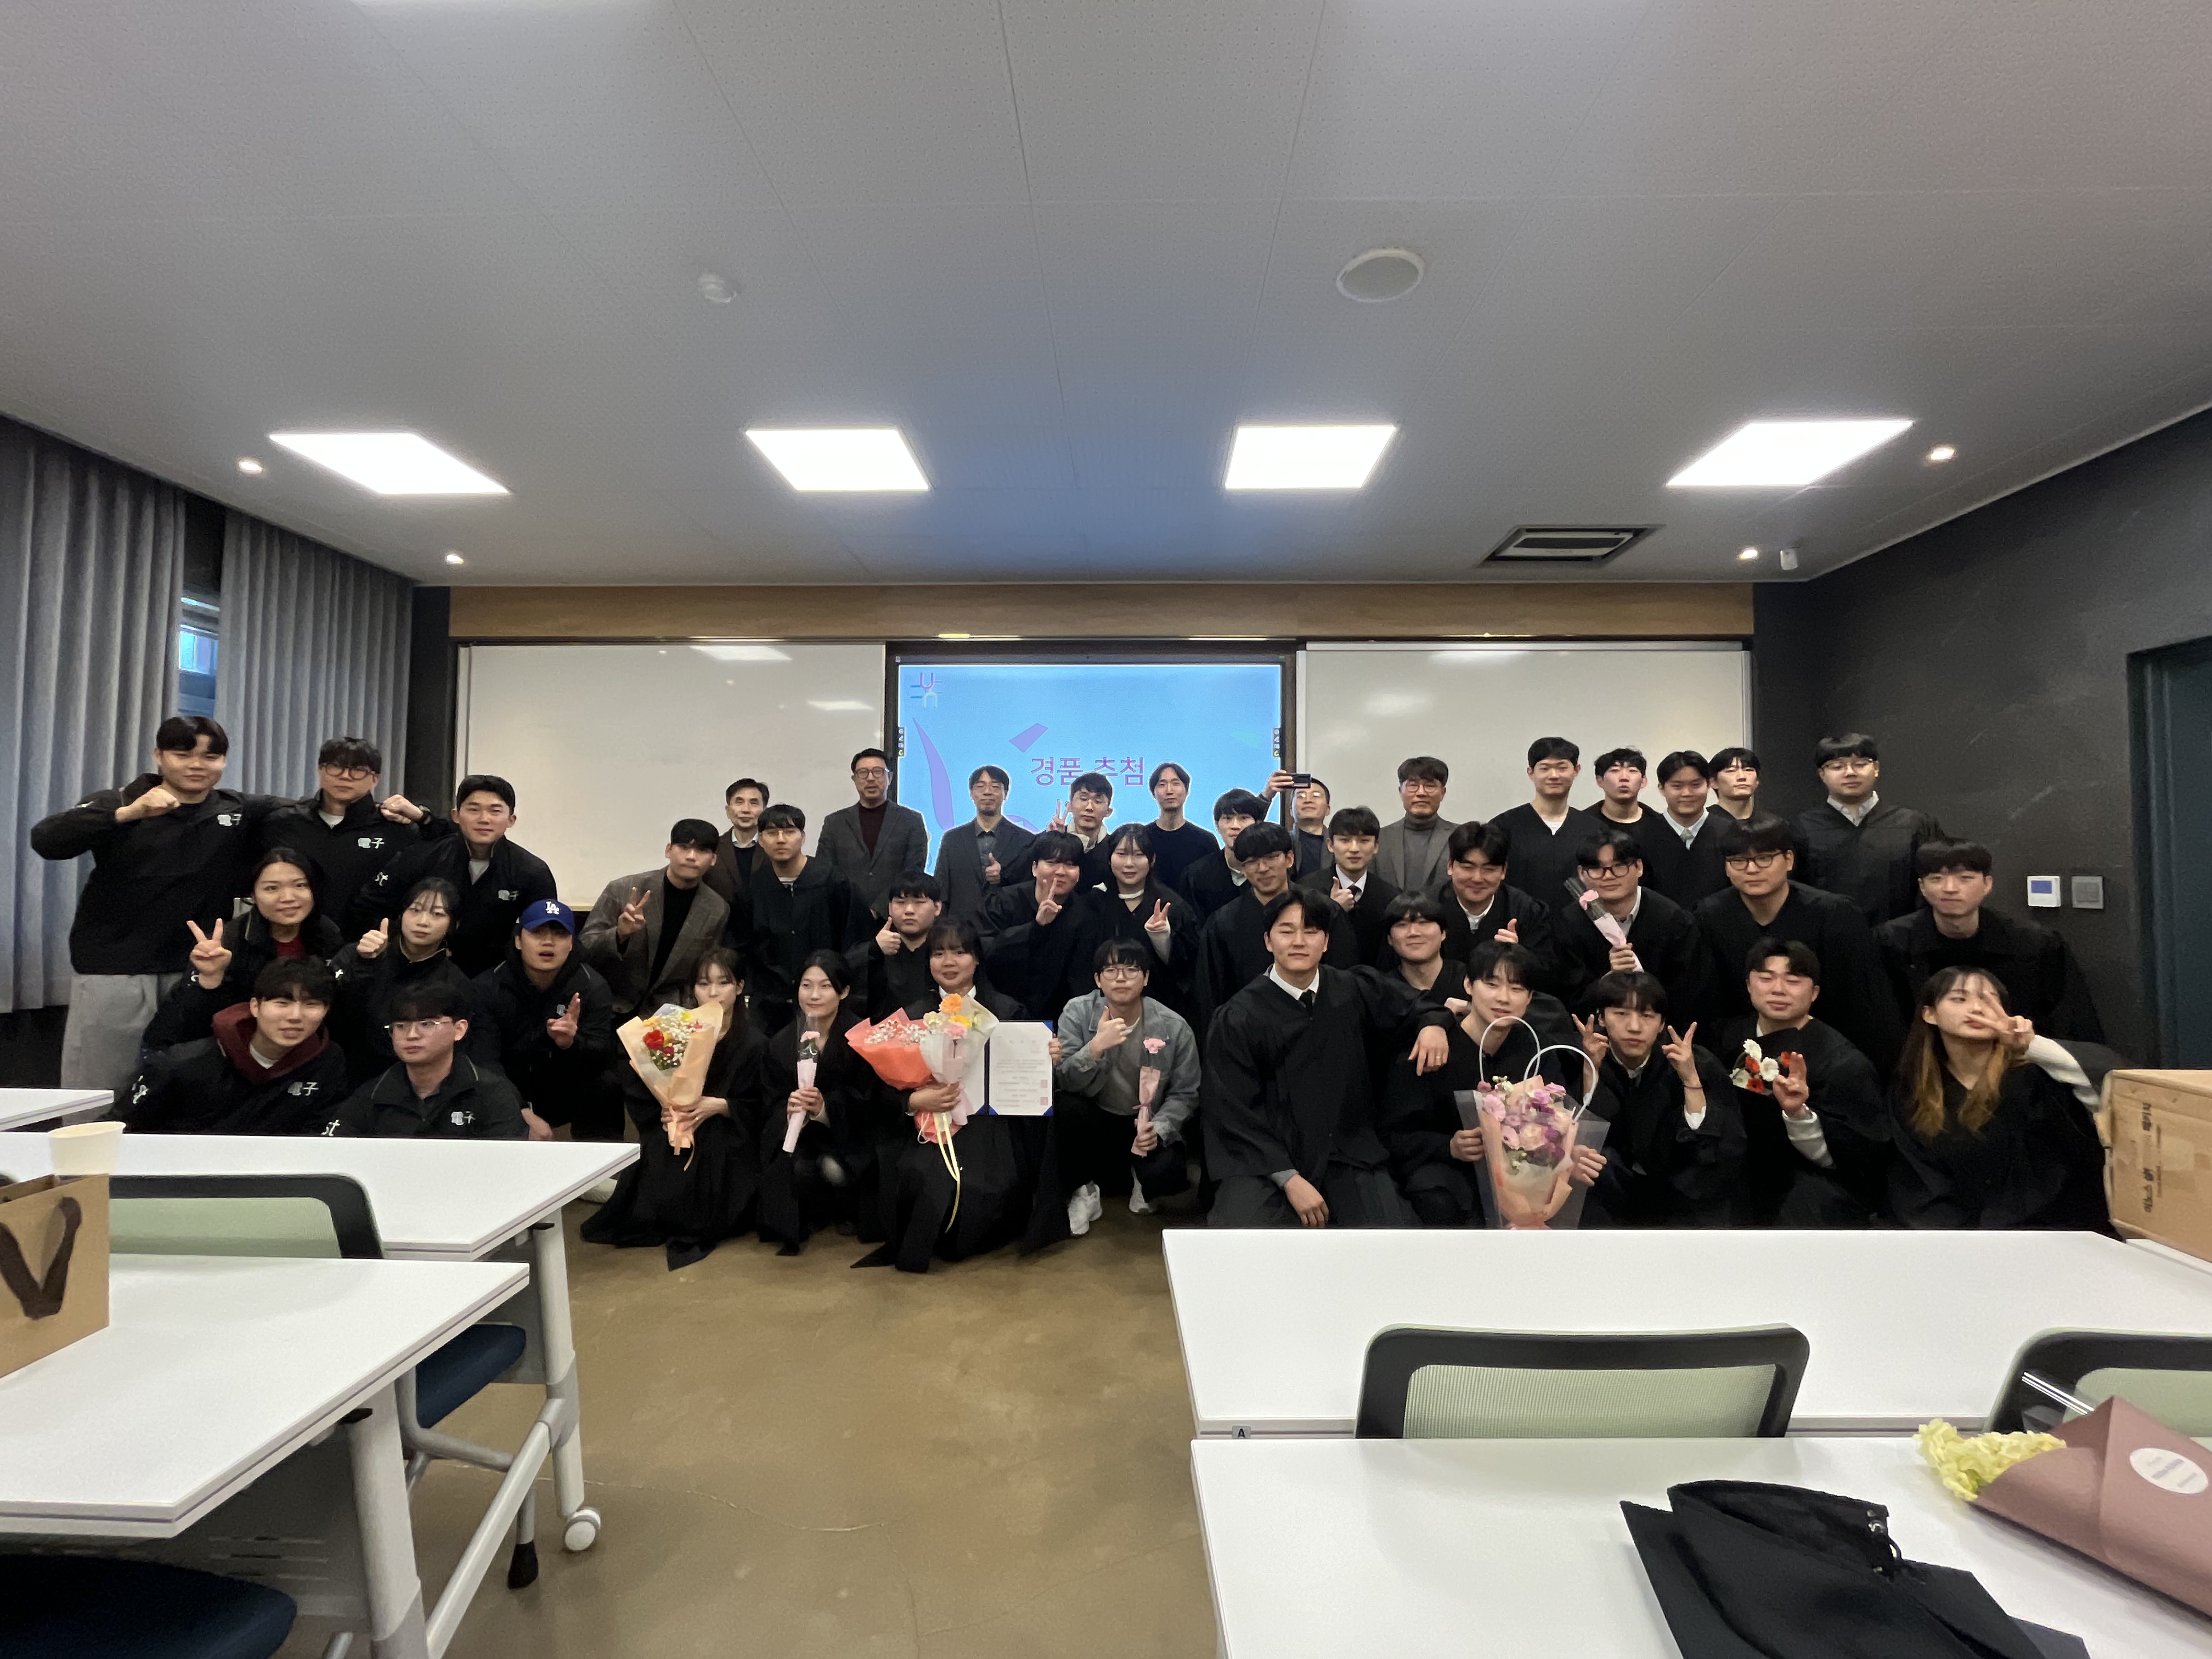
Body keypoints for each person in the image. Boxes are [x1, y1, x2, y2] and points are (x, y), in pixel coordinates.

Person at [32, 714, 289, 1092]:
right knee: (100, 1089)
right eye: (183, 755)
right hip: (115, 971)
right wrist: (129, 814)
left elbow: (315, 813)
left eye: (211, 757)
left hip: (196, 971)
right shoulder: (118, 800)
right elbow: (47, 840)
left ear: (224, 761)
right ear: (158, 755)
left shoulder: (238, 810)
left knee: (188, 1087)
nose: (197, 765)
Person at [1202, 890, 1452, 1228]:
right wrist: (1288, 1178)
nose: (1299, 942)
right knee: (1247, 1238)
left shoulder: (1352, 989)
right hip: (1267, 1162)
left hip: (1348, 1152)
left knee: (1389, 1236)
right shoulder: (1239, 1017)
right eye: (1287, 931)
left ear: (1326, 942)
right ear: (1268, 941)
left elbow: (1415, 1006)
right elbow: (1233, 1111)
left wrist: (1433, 1025)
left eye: (1311, 931)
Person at [867, 921, 1053, 1273]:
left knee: (982, 1187)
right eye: (938, 953)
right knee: (921, 1175)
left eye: (959, 952)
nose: (948, 962)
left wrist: (1045, 1058)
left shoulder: (1006, 1011)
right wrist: (913, 1102)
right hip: (928, 1122)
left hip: (990, 1123)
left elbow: (1028, 1082)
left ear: (977, 959)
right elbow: (879, 1090)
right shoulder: (913, 1014)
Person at [1377, 940, 1598, 1226]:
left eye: (1516, 989)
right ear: (1469, 985)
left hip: (1524, 1178)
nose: (1503, 998)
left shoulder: (1537, 1049)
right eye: (1492, 985)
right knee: (1438, 1196)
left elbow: (1555, 1121)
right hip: (1451, 1172)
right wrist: (1450, 1146)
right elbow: (1394, 1133)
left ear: (1530, 998)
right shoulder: (1433, 1045)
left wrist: (1566, 1154)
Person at [1884, 968, 2109, 1231]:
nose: (1977, 1009)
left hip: (2053, 1231)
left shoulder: (2040, 1076)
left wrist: (2032, 1046)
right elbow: (1916, 1182)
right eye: (1960, 999)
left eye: (1988, 1000)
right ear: (1930, 1014)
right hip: (1957, 1238)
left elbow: (2112, 1092)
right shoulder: (1914, 1090)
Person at [582, 947, 766, 1268]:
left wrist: (723, 1106)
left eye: (723, 983)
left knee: (709, 1171)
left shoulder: (755, 1042)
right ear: (693, 989)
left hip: (729, 1131)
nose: (713, 992)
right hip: (680, 1123)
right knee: (655, 1174)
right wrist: (666, 1108)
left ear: (739, 987)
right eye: (703, 984)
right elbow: (645, 1078)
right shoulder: (676, 1031)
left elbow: (765, 1104)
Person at [1695, 814, 1904, 1074]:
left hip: (1826, 1056)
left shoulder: (1835, 915)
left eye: (1764, 858)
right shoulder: (1708, 917)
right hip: (1739, 1056)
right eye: (1738, 861)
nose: (1751, 869)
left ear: (1789, 860)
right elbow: (1707, 1004)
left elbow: (1865, 1004)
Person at [1711, 939, 1889, 1227]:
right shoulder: (1725, 1038)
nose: (1778, 989)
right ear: (1748, 985)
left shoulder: (1844, 1064)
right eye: (1766, 978)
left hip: (1808, 1200)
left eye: (1793, 981)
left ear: (1815, 993)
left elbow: (1858, 1164)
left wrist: (1798, 1114)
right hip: (1734, 1187)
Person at [1876, 839, 2104, 1042]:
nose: (1950, 888)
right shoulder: (1891, 943)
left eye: (1965, 878)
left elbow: (2074, 1025)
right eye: (1936, 879)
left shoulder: (2035, 945)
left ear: (1987, 884)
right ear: (1922, 887)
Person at [1576, 972, 1749, 1227]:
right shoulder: (1577, 1059)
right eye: (1621, 1014)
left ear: (1661, 1024)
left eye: (1647, 1016)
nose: (1634, 1027)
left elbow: (1719, 1149)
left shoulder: (1695, 1062)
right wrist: (1591, 1069)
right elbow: (1587, 1138)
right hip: (1611, 1196)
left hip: (1683, 1197)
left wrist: (1691, 1080)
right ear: (1601, 1018)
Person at [758, 951, 897, 1254]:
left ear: (843, 992)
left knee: (836, 1167)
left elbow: (874, 1102)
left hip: (852, 1136)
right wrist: (790, 1108)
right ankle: (814, 1213)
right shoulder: (781, 1043)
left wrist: (825, 1108)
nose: (814, 995)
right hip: (804, 1137)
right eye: (807, 986)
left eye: (825, 986)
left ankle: (848, 1208)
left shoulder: (863, 1039)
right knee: (796, 1168)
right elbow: (769, 1100)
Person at [347, 775, 557, 975]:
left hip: (495, 978)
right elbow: (369, 905)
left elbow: (546, 933)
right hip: (418, 972)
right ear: (456, 816)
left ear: (511, 820)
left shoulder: (531, 871)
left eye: (495, 811)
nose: (484, 819)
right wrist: (397, 949)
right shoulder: (421, 857)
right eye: (473, 810)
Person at [1052, 939, 1200, 1220]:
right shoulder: (1077, 1012)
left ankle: (1140, 1180)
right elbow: (1065, 1081)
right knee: (1064, 1108)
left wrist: (1159, 1128)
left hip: (1145, 1123)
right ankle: (1085, 1191)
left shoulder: (1174, 1026)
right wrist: (1095, 1048)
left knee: (1169, 1172)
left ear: (1146, 978)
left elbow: (1186, 1093)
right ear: (1098, 980)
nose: (1121, 978)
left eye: (1131, 970)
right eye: (1111, 970)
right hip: (1096, 1120)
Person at [115, 957, 349, 1135]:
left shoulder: (327, 1061)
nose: (296, 1016)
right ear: (255, 1007)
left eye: (311, 1005)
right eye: (282, 1003)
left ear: (326, 1011)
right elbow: (118, 1127)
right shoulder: (184, 1063)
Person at [140, 847, 346, 1049]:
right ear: (253, 895)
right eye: (272, 888)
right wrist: (210, 981)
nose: (288, 897)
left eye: (300, 885)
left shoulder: (327, 934)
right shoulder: (227, 943)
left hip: (300, 1046)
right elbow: (180, 1026)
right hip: (233, 1049)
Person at [472, 899, 622, 1143]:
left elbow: (601, 1057)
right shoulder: (488, 987)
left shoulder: (592, 986)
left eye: (560, 934)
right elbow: (484, 1060)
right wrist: (521, 1110)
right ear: (518, 940)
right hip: (510, 1083)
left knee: (606, 1084)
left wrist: (571, 1043)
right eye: (538, 932)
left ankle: (601, 1161)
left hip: (563, 1082)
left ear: (571, 943)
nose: (548, 942)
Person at [1195, 823, 1357, 1034]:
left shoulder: (1324, 911)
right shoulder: (1223, 924)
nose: (1263, 868)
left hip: (1320, 1028)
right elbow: (1211, 995)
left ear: (1289, 859)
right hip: (1249, 1034)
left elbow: (1345, 977)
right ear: (1242, 869)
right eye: (1252, 861)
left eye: (1271, 857)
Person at [328, 877, 489, 1084]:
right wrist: (365, 964)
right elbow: (337, 1019)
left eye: (437, 914)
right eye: (415, 910)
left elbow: (456, 1051)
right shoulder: (360, 954)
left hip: (414, 1083)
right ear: (401, 914)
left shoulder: (456, 984)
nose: (423, 921)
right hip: (350, 1076)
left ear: (453, 925)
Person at [321, 980, 528, 1139]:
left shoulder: (492, 1093)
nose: (412, 1035)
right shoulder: (371, 1096)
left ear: (459, 1030)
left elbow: (507, 1164)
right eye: (401, 1026)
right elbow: (334, 1153)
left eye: (427, 1024)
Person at [740, 803, 877, 1035]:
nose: (781, 840)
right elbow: (745, 948)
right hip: (772, 1008)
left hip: (830, 999)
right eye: (772, 833)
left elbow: (857, 939)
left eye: (789, 832)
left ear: (803, 837)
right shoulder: (754, 889)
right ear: (761, 840)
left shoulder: (833, 881)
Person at [256, 736, 423, 924]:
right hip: (295, 935)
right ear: (320, 770)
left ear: (375, 779)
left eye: (358, 770)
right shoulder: (283, 823)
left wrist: (422, 816)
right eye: (336, 767)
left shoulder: (397, 829)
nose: (345, 776)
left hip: (370, 937)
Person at [1554, 828, 1713, 1023]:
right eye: (1596, 869)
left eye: (1619, 866)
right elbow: (1565, 997)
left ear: (1639, 867)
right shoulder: (1570, 923)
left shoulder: (1673, 920)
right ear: (1581, 874)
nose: (1608, 876)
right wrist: (1608, 980)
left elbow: (1689, 994)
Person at [581, 819, 732, 1019]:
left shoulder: (717, 909)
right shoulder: (623, 889)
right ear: (669, 850)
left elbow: (704, 970)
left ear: (713, 859)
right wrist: (619, 935)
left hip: (669, 1015)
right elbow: (584, 948)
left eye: (702, 851)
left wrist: (686, 1014)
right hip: (609, 1005)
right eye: (683, 847)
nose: (691, 856)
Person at [1795, 733, 1945, 924]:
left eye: (1860, 764)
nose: (1850, 773)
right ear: (1822, 775)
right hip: (1826, 937)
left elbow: (1935, 883)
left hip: (1901, 936)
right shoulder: (1802, 828)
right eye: (1837, 766)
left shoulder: (1914, 824)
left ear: (1876, 768)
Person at [977, 832, 1113, 1023]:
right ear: (1034, 868)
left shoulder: (1086, 914)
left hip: (1063, 1018)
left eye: (1070, 865)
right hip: (1001, 1013)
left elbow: (1082, 979)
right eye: (1052, 863)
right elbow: (987, 953)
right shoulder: (1003, 902)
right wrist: (1037, 927)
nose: (1061, 871)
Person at [1091, 824, 1201, 1017]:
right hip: (1104, 1010)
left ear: (1152, 860)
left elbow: (1189, 970)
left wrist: (1163, 940)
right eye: (1121, 854)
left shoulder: (1172, 906)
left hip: (1161, 1011)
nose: (1129, 864)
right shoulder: (1095, 902)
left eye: (1139, 855)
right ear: (1109, 858)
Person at [1436, 821, 1560, 989]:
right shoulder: (1428, 909)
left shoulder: (1528, 911)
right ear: (1450, 866)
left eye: (1489, 869)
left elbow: (1548, 976)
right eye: (1468, 867)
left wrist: (1518, 957)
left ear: (1503, 871)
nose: (1477, 878)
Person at [1488, 738, 1604, 913]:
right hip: (1518, 924)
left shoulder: (1594, 830)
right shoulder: (1503, 827)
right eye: (1545, 768)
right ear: (1531, 772)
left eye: (1562, 768)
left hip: (1581, 925)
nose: (1554, 775)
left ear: (1576, 771)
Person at [815, 748, 928, 918]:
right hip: (845, 917)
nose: (870, 778)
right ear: (854, 779)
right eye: (863, 773)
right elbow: (825, 871)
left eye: (878, 772)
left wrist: (878, 909)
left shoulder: (911, 821)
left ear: (890, 778)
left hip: (896, 917)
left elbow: (913, 871)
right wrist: (854, 910)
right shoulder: (834, 823)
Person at [933, 765, 1035, 925]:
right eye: (980, 787)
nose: (987, 792)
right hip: (960, 929)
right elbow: (941, 889)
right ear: (971, 794)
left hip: (1007, 929)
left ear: (1005, 794)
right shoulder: (952, 839)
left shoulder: (1025, 840)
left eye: (995, 787)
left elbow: (1029, 889)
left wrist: (1004, 877)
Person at [1302, 806, 1400, 966]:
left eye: (1364, 841)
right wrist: (1332, 909)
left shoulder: (1391, 897)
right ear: (1330, 845)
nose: (1354, 849)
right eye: (1345, 840)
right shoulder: (1307, 890)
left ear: (1376, 846)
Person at [1589, 747, 1686, 897]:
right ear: (1599, 780)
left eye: (1632, 771)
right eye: (1615, 771)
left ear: (1644, 781)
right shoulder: (1584, 825)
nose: (1624, 778)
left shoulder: (1663, 827)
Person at [1651, 750, 1731, 906]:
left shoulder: (1731, 833)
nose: (1687, 793)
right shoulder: (1644, 834)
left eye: (1696, 785)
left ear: (1708, 785)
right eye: (1677, 786)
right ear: (1662, 788)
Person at [863, 873, 944, 1019]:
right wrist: (874, 949)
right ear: (890, 908)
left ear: (937, 908)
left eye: (919, 903)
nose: (909, 911)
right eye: (901, 903)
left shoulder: (949, 947)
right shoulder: (875, 948)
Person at [1373, 756, 1457, 894]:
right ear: (1401, 792)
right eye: (1413, 786)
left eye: (1430, 786)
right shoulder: (1380, 839)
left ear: (1443, 793)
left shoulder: (1460, 838)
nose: (1421, 793)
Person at [1179, 789, 1267, 920]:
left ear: (1257, 824)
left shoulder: (1270, 871)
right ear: (1217, 825)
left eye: (1244, 818)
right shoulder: (1196, 875)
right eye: (1228, 818)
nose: (1235, 826)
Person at [1378, 893, 1459, 1012]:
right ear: (1390, 939)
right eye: (1402, 925)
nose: (1414, 933)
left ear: (1443, 933)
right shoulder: (1380, 991)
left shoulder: (1470, 982)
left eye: (1423, 923)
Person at [1146, 762, 1218, 895]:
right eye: (1162, 785)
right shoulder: (1142, 838)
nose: (1169, 791)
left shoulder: (1206, 841)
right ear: (1153, 793)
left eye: (1176, 783)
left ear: (1187, 791)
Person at [702, 777, 770, 910]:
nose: (746, 810)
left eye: (754, 803)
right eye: (739, 802)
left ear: (765, 811)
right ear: (728, 811)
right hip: (721, 922)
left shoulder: (775, 848)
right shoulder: (711, 848)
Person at [1062, 771, 1118, 888]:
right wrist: (1055, 842)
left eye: (1098, 801)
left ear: (1109, 811)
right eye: (1083, 799)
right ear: (1069, 806)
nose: (1089, 808)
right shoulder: (1049, 840)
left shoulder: (1115, 849)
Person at [1709, 747, 1763, 821]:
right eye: (1731, 771)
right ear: (1713, 782)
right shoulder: (1702, 823)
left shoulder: (1773, 825)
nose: (1742, 777)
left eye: (1748, 770)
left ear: (1757, 781)